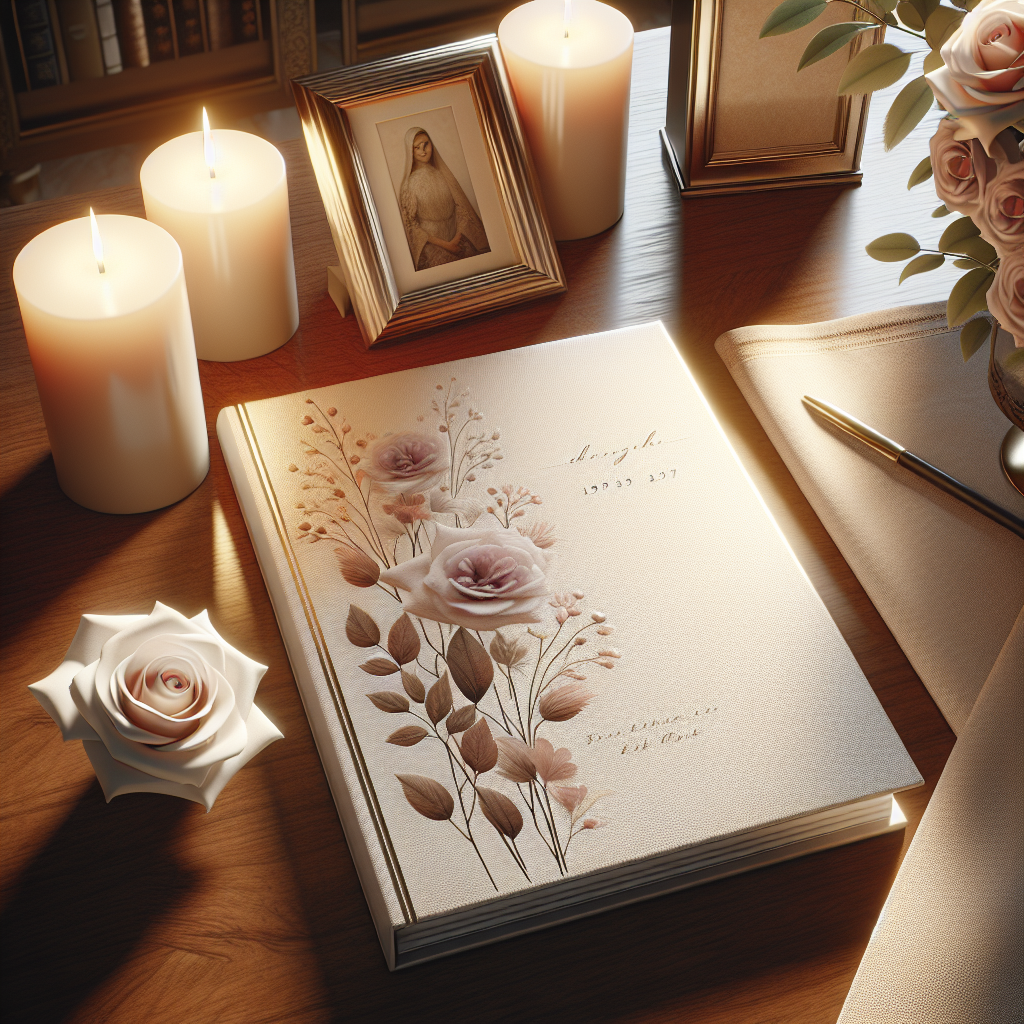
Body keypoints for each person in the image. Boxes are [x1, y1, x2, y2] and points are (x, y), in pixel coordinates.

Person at [398, 126, 490, 270]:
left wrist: (457, 238)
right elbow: (412, 226)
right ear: (410, 151)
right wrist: (447, 245)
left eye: (426, 144)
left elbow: (460, 207)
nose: (423, 151)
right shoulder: (409, 185)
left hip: (458, 238)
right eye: (417, 147)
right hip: (433, 247)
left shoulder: (443, 175)